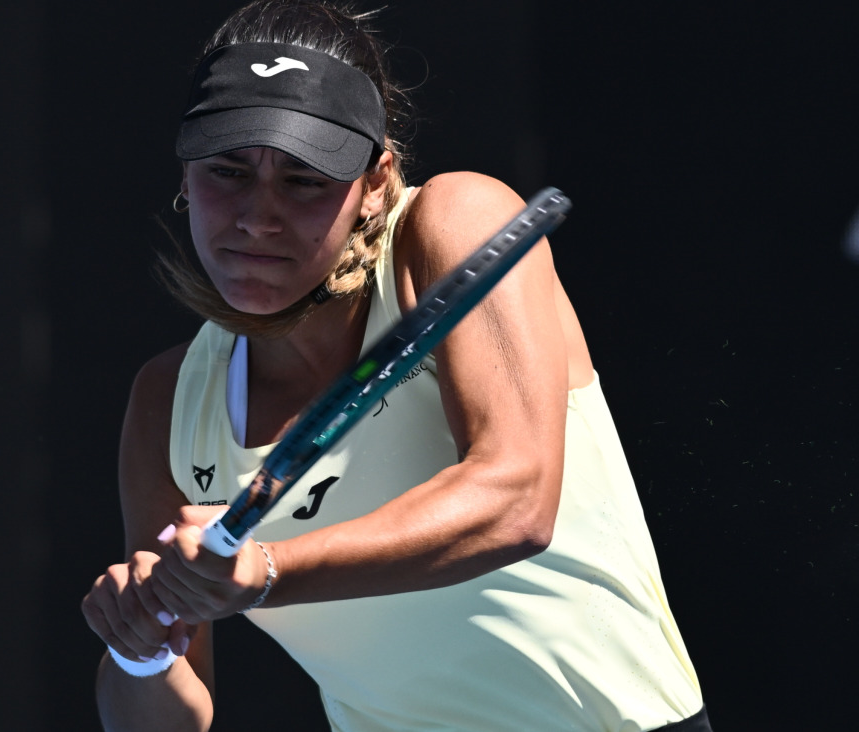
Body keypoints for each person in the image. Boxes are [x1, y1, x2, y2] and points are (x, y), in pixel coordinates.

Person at [81, 1, 710, 730]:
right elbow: (170, 718)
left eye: (305, 180)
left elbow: (515, 500)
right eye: (228, 171)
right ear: (186, 178)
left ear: (376, 182)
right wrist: (142, 649)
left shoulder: (455, 225)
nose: (259, 216)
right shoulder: (164, 398)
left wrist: (267, 571)